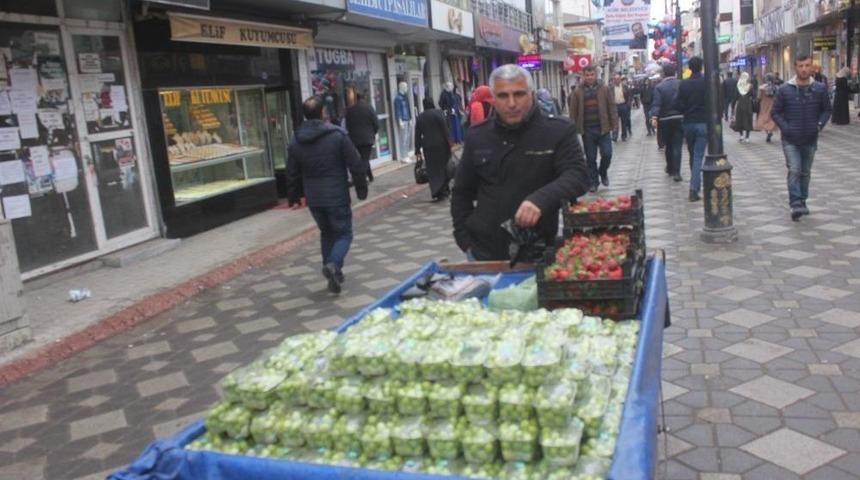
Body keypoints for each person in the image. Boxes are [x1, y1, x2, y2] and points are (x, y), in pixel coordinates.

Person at [452, 64, 589, 261]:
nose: (511, 103)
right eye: (502, 96)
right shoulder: (477, 136)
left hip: (537, 250)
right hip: (484, 250)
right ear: (493, 98)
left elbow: (577, 176)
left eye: (519, 94)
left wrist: (540, 199)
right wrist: (465, 241)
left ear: (531, 94)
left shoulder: (558, 131)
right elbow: (461, 192)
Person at [287, 96, 368, 293]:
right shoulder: (337, 135)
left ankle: (332, 272)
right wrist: (361, 188)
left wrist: (294, 197)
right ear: (323, 113)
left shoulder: (296, 140)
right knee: (343, 233)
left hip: (314, 198)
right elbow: (356, 163)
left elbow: (292, 172)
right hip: (336, 195)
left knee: (327, 233)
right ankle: (333, 265)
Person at [771, 53, 832, 221]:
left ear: (812, 67)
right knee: (794, 170)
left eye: (807, 65)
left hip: (810, 138)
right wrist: (786, 128)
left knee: (805, 172)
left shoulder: (819, 88)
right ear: (795, 67)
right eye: (800, 66)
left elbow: (827, 109)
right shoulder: (784, 89)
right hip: (790, 139)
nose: (804, 69)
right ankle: (795, 203)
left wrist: (819, 125)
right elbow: (775, 112)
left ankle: (802, 201)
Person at [570, 65, 618, 191]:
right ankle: (593, 182)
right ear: (583, 76)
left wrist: (615, 125)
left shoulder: (604, 89)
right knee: (590, 158)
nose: (589, 77)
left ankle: (603, 172)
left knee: (607, 154)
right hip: (587, 130)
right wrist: (572, 129)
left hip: (603, 128)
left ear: (595, 75)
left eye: (592, 75)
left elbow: (611, 107)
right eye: (587, 75)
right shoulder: (577, 92)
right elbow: (573, 112)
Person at [674, 56, 707, 202]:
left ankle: (696, 184)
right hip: (702, 123)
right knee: (698, 156)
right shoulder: (706, 82)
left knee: (693, 154)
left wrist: (686, 109)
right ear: (701, 67)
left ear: (690, 68)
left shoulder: (684, 84)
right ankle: (694, 189)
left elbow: (677, 104)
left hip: (688, 123)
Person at [650, 63, 683, 181]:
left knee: (668, 145)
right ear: (674, 72)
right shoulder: (681, 84)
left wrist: (654, 117)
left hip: (664, 120)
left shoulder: (659, 87)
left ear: (663, 73)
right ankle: (677, 172)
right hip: (679, 118)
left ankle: (670, 168)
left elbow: (657, 104)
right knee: (677, 145)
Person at [415, 98, 453, 202]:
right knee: (444, 167)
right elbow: (445, 128)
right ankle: (445, 190)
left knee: (432, 170)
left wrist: (417, 150)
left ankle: (436, 192)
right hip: (442, 145)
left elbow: (417, 135)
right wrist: (450, 142)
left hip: (428, 147)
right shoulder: (439, 113)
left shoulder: (420, 117)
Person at [345, 93, 379, 183]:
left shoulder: (350, 110)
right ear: (364, 98)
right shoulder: (369, 108)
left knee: (363, 158)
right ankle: (362, 179)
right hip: (367, 139)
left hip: (355, 139)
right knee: (364, 158)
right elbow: (376, 123)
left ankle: (370, 176)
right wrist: (373, 133)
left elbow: (347, 125)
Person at [756, 73, 779, 142]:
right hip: (773, 104)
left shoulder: (762, 87)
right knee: (771, 118)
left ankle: (767, 132)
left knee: (764, 118)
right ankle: (770, 131)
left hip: (764, 105)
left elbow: (759, 97)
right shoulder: (776, 87)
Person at [733, 72, 755, 143]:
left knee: (740, 119)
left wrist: (733, 106)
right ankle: (747, 137)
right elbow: (753, 95)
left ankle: (741, 136)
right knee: (748, 119)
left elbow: (735, 97)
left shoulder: (738, 86)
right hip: (748, 104)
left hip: (740, 104)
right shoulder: (750, 86)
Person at [612, 74, 632, 141]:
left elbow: (629, 95)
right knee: (615, 122)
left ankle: (624, 136)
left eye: (618, 79)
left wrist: (628, 105)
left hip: (623, 105)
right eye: (615, 79)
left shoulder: (624, 86)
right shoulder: (611, 88)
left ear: (620, 80)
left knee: (624, 122)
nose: (617, 80)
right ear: (614, 80)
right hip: (615, 106)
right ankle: (615, 136)